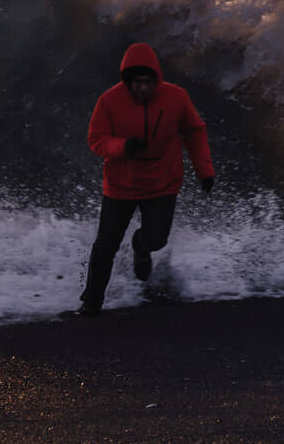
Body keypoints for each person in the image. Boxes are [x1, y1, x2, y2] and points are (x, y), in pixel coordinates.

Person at [76, 42, 215, 315]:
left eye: (147, 82)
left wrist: (205, 171)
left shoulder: (176, 97)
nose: (142, 88)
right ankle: (91, 302)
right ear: (127, 81)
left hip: (162, 181)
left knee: (157, 239)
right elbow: (96, 140)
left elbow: (195, 131)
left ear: (156, 79)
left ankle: (141, 245)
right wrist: (123, 147)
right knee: (105, 245)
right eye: (136, 83)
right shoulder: (109, 101)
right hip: (120, 184)